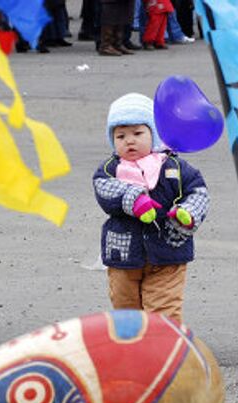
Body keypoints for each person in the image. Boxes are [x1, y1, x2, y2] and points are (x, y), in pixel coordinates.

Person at [93, 93, 210, 324]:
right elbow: (104, 188)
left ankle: (164, 350)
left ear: (154, 134)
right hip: (124, 255)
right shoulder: (111, 169)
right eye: (120, 136)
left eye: (138, 133)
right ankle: (133, 350)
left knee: (164, 309)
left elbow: (199, 191)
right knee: (126, 310)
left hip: (168, 251)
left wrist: (187, 213)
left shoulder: (174, 166)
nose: (129, 141)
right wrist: (134, 199)